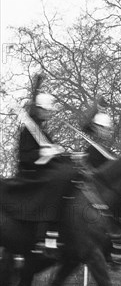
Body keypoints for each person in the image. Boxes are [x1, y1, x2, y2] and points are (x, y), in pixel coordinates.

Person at [5, 90, 78, 252]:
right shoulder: (28, 130)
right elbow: (25, 157)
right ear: (39, 110)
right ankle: (43, 232)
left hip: (44, 171)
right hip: (31, 173)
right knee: (56, 179)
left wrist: (68, 156)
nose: (50, 114)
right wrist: (43, 153)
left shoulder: (40, 131)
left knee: (68, 172)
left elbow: (53, 156)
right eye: (47, 110)